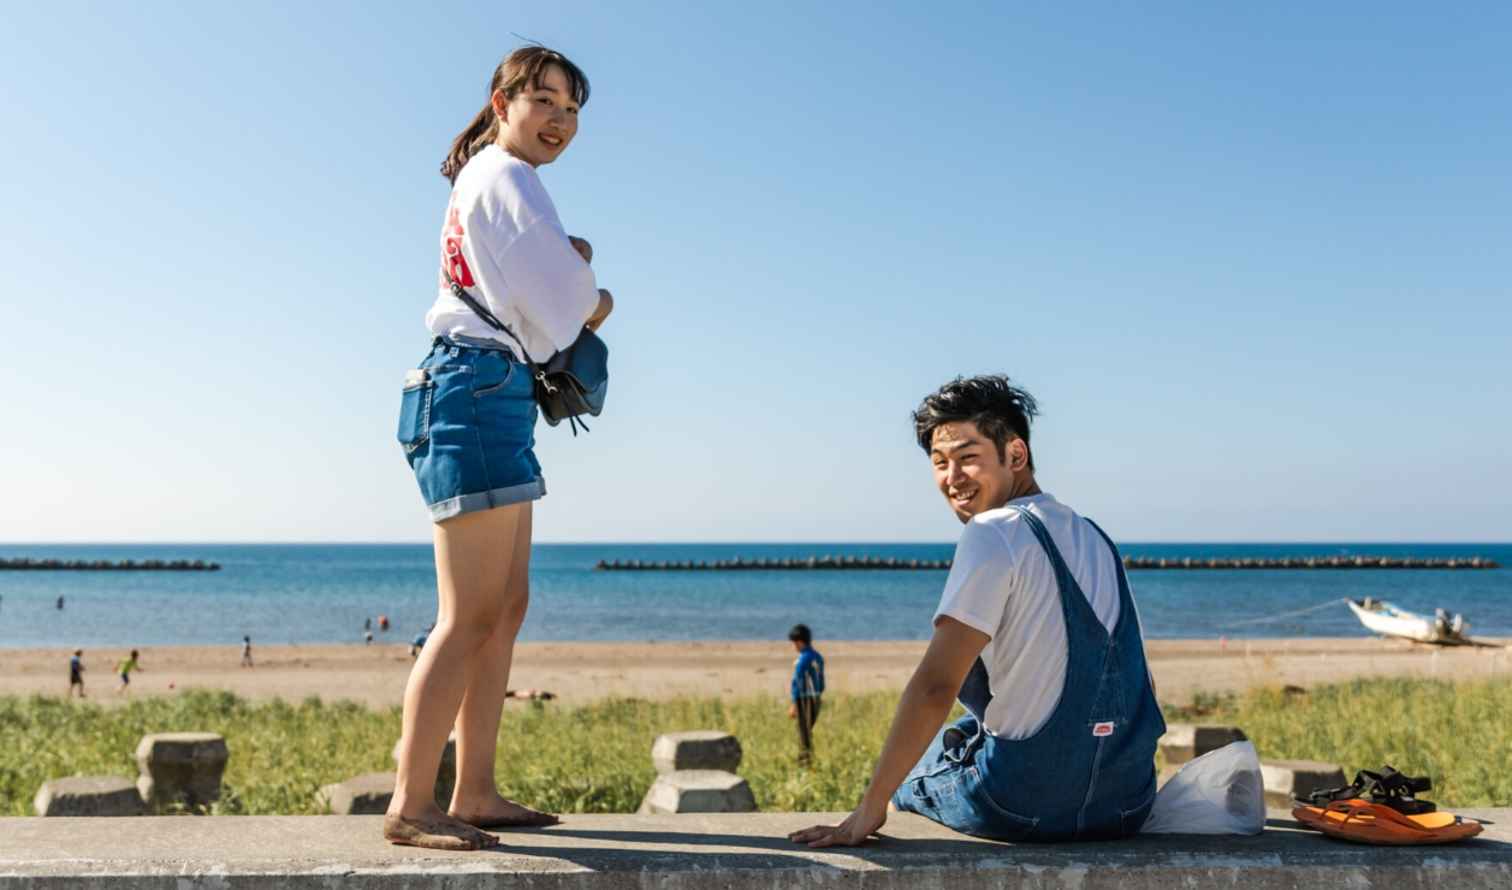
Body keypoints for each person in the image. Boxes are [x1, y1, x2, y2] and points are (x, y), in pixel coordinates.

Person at [385, 45, 614, 852]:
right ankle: (413, 803)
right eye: (544, 100)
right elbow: (568, 307)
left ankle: (474, 789)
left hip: (491, 390)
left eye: (572, 109)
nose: (559, 119)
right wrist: (597, 290)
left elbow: (533, 291)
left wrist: (570, 272)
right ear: (502, 100)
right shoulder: (508, 176)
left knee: (505, 607)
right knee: (470, 614)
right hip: (474, 391)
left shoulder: (492, 178)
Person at [791, 376, 1164, 848]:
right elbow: (1137, 683)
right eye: (940, 463)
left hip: (1025, 806)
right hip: (1126, 804)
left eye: (968, 458)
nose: (952, 478)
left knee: (920, 771)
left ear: (1015, 455)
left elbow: (935, 686)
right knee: (967, 729)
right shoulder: (1096, 536)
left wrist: (870, 809)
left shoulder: (993, 531)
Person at [787, 624, 825, 763]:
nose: (794, 646)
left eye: (794, 643)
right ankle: (806, 758)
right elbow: (821, 681)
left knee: (803, 732)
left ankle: (805, 760)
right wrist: (819, 695)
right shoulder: (818, 657)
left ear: (800, 641)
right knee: (808, 730)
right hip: (816, 698)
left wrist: (794, 704)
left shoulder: (802, 660)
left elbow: (798, 682)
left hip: (803, 699)